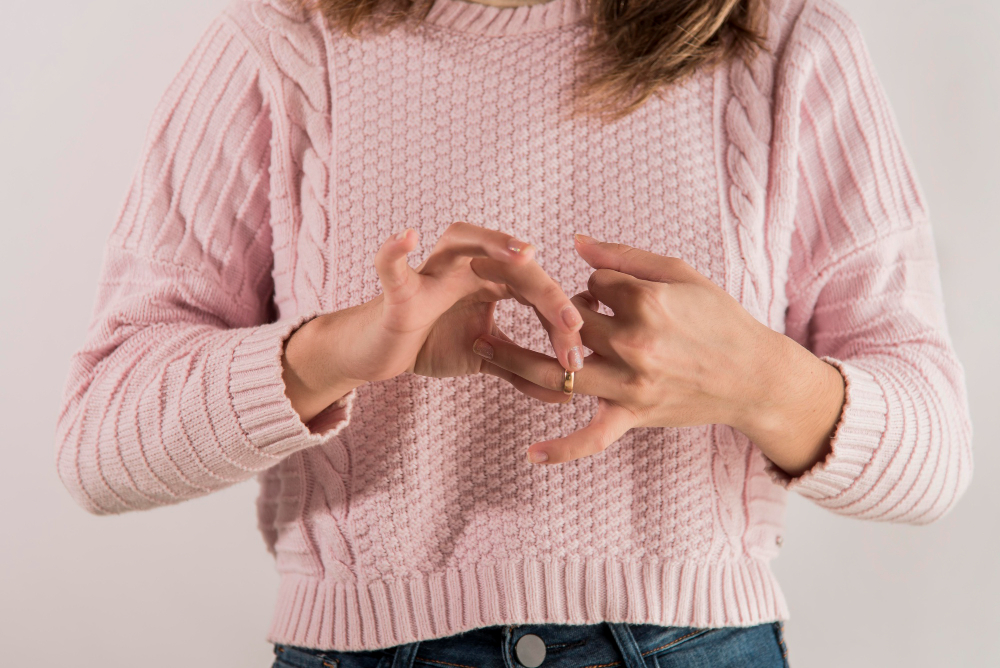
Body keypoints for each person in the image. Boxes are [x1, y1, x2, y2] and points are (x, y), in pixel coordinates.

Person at [55, 0, 974, 665]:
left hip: (700, 644)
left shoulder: (785, 41)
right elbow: (100, 440)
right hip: (365, 650)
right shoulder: (282, 45)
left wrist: (762, 381)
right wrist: (343, 348)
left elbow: (937, 456)